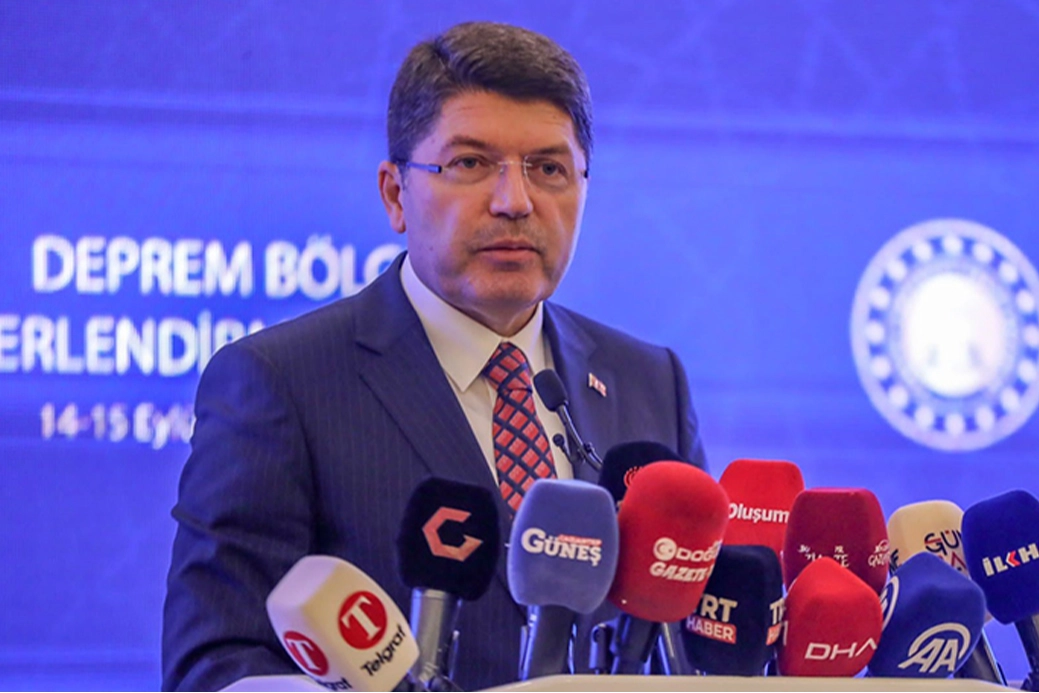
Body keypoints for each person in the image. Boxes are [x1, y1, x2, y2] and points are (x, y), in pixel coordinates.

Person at [162, 21, 706, 692]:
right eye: (470, 164)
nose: (514, 202)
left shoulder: (649, 382)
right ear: (395, 194)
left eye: (548, 169)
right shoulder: (281, 381)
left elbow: (694, 642)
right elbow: (215, 663)